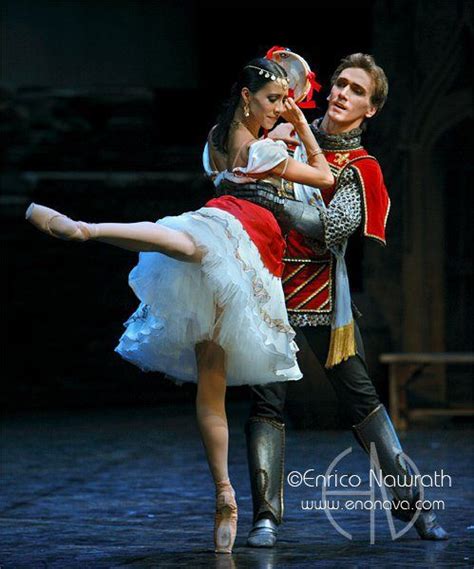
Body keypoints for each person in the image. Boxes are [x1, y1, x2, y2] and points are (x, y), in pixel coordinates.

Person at [25, 57, 334, 554]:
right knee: (186, 245)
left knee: (211, 375)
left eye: (286, 103)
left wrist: (287, 119)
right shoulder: (263, 149)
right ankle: (87, 229)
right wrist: (301, 127)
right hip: (239, 239)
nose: (283, 110)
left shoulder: (216, 140)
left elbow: (231, 170)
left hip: (237, 252)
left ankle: (224, 497)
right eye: (274, 101)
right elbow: (324, 178)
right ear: (247, 97)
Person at [228, 53, 449, 546]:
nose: (343, 93)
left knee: (361, 401)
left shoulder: (361, 166)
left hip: (324, 294)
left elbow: (331, 227)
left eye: (356, 90)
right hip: (267, 283)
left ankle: (413, 506)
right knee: (266, 400)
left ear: (370, 109)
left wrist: (266, 197)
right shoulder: (279, 132)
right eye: (340, 83)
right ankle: (266, 517)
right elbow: (232, 163)